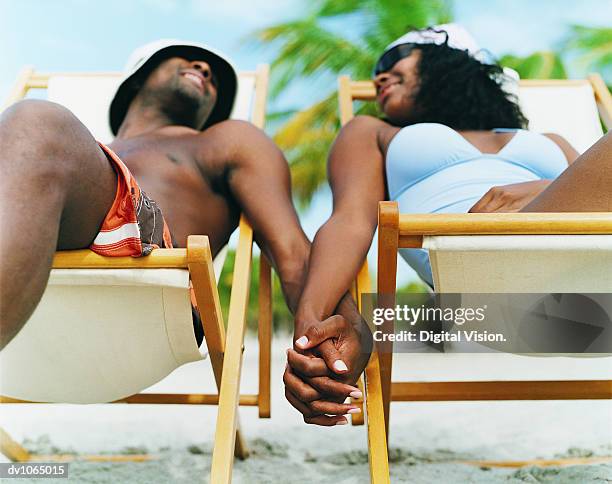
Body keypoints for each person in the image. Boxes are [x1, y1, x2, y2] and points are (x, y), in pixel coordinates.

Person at [0, 39, 368, 418]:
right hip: (28, 318)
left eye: (214, 77)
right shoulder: (58, 155)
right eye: (186, 58)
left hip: (144, 307)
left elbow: (291, 251)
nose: (204, 70)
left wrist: (340, 329)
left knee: (35, 124)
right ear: (137, 79)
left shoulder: (222, 141)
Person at [284, 24, 612, 425]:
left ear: (452, 61)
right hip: (487, 278)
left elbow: (592, 192)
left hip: (595, 274)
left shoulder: (552, 139)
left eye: (394, 58)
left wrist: (541, 190)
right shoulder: (374, 132)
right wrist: (310, 322)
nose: (378, 77)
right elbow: (349, 221)